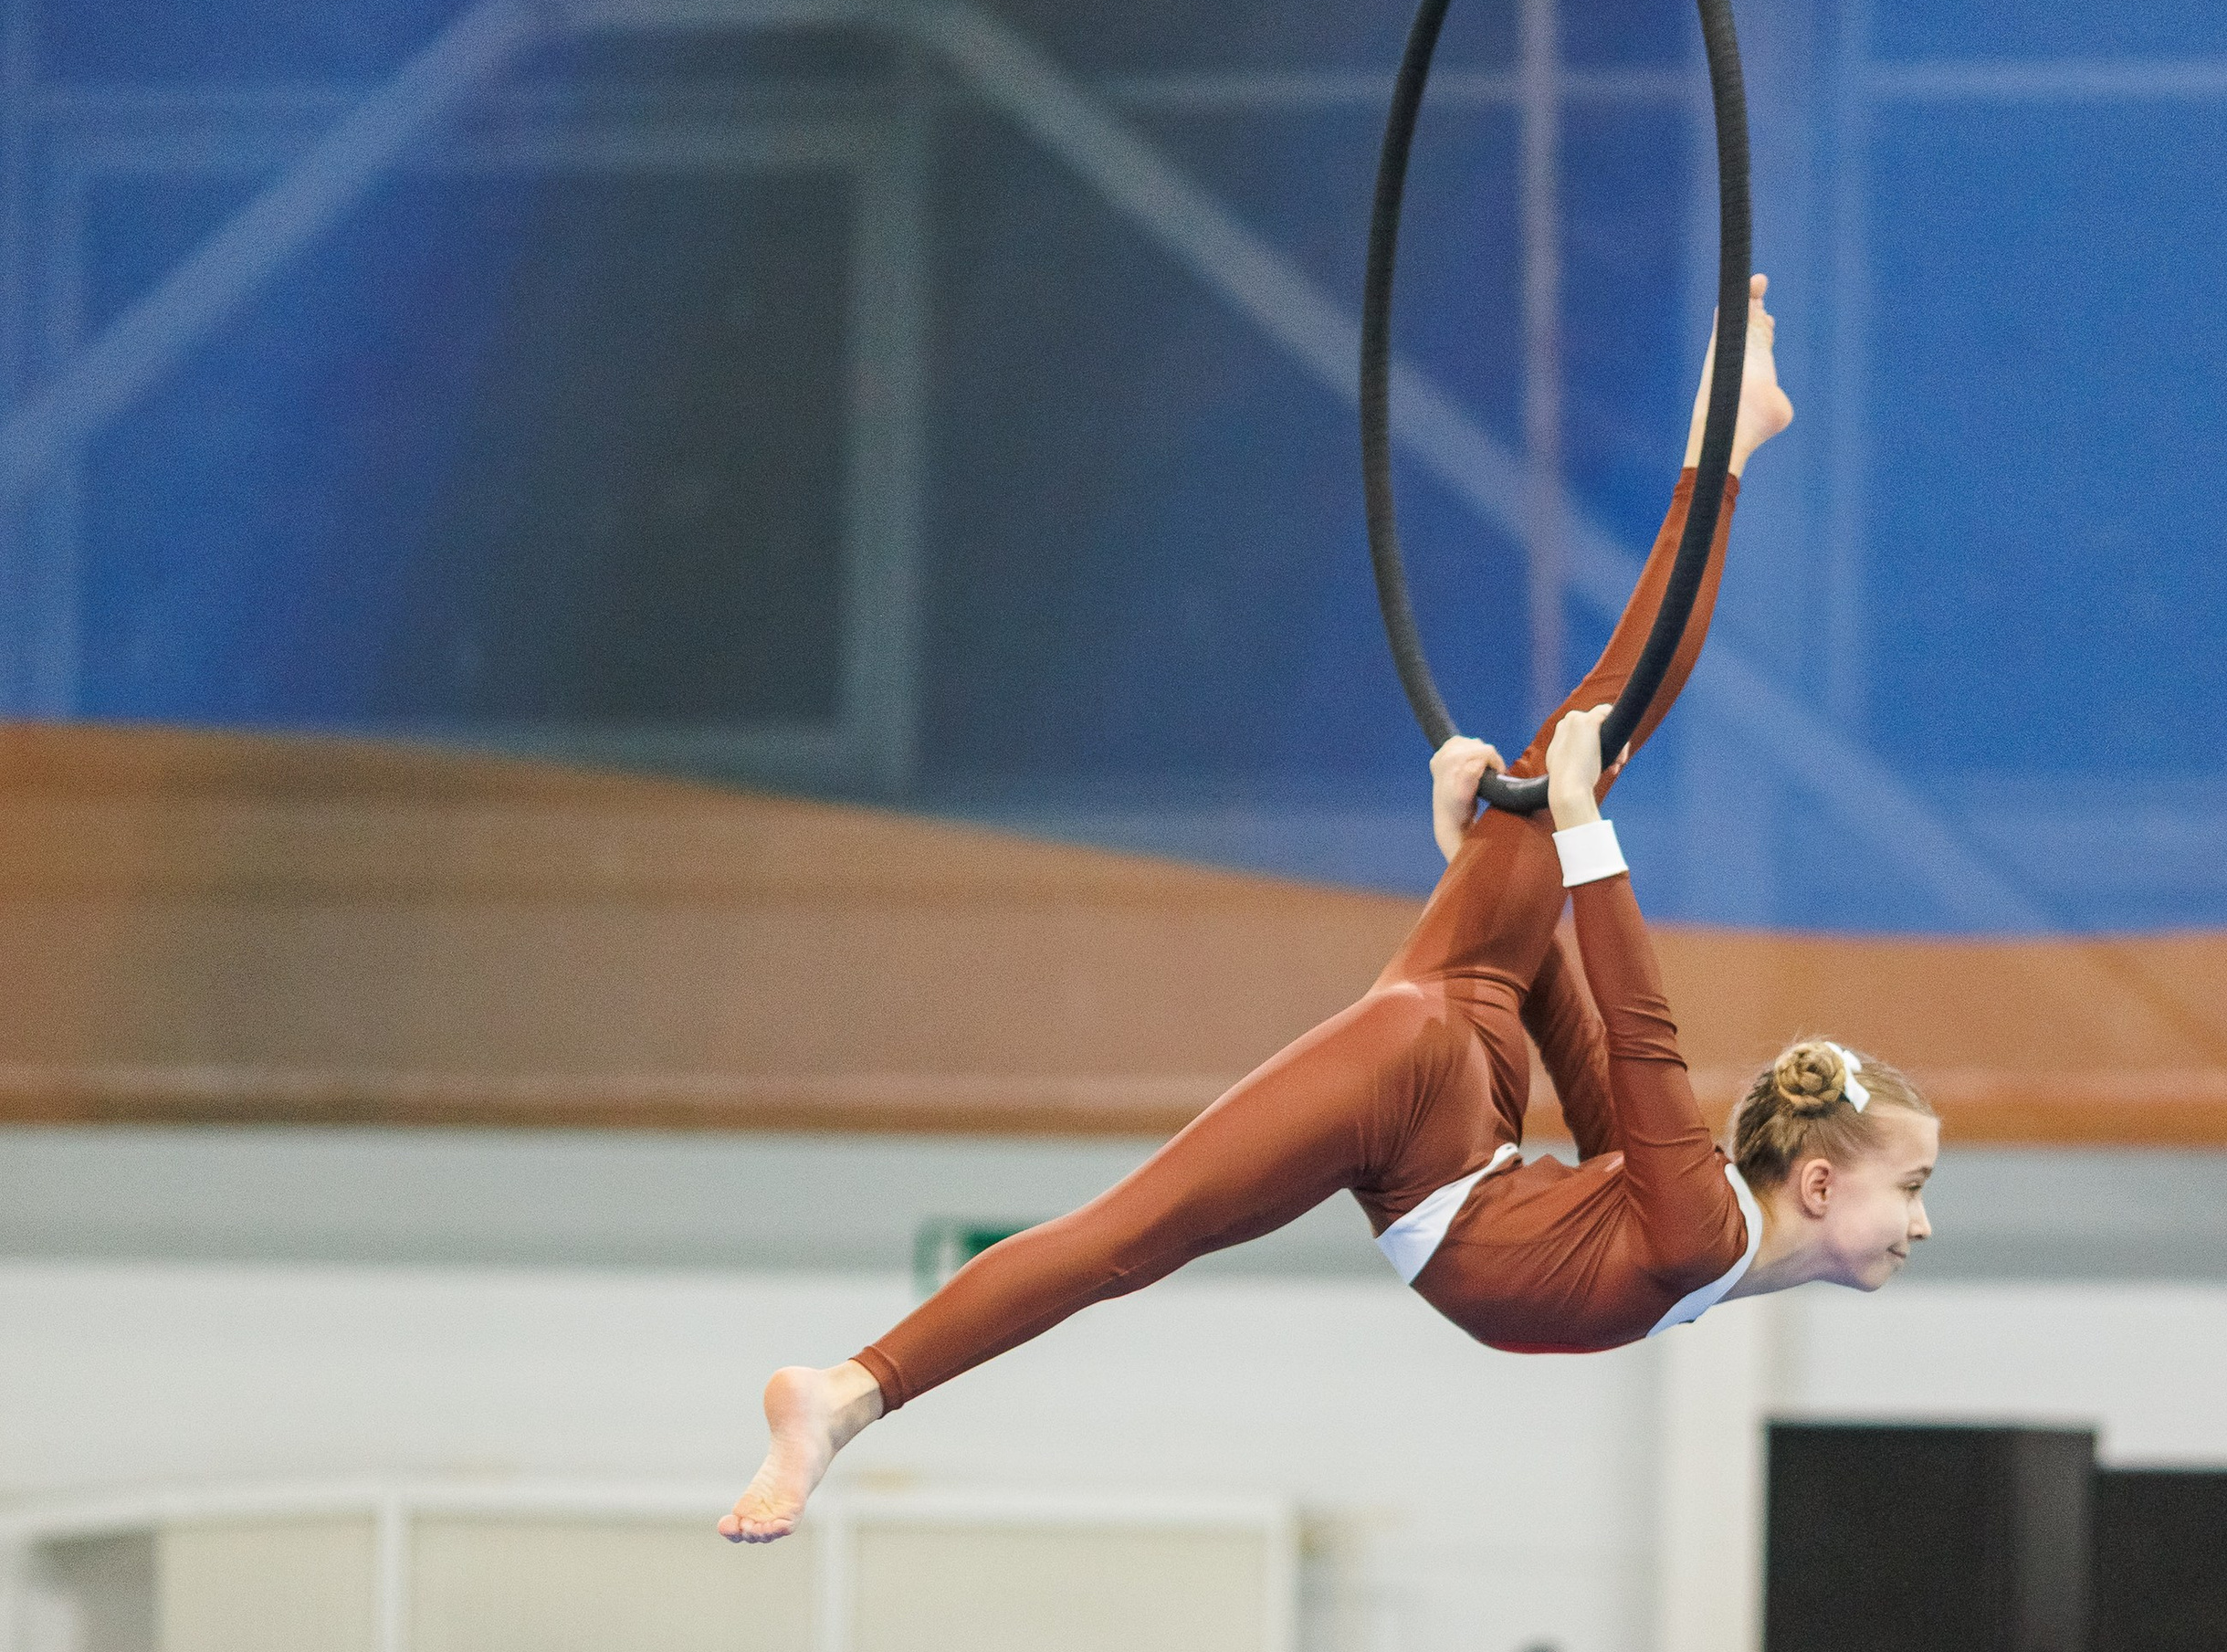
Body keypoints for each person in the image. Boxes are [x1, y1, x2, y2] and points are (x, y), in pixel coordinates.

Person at [721, 280, 1937, 1543]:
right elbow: (1641, 1037)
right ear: (1812, 1182)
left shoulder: (1697, 1226)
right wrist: (1576, 839)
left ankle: (1723, 445)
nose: (1922, 1217)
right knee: (1133, 1234)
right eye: (1910, 1183)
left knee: (1600, 725)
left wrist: (1490, 872)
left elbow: (1588, 1046)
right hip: (1428, 1096)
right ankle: (848, 1393)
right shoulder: (1695, 1233)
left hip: (1461, 1093)